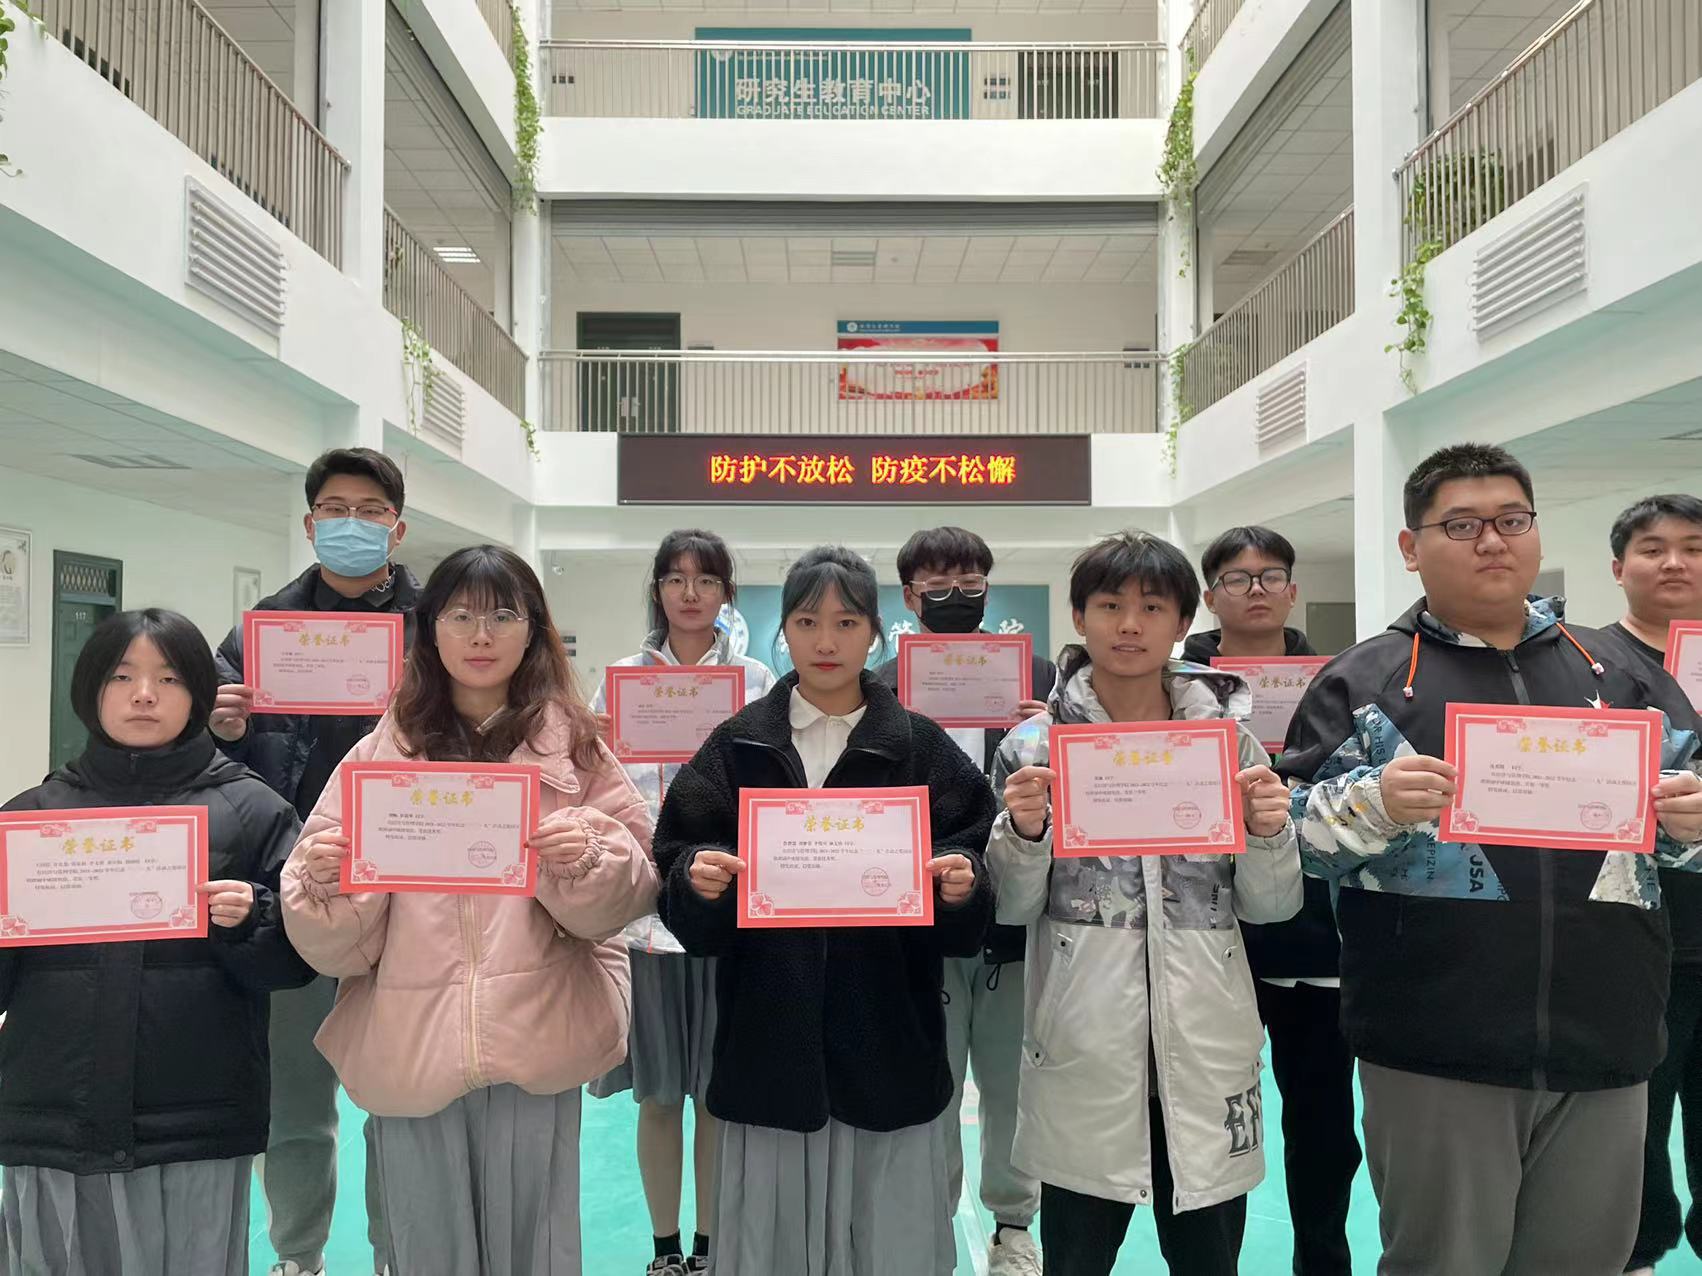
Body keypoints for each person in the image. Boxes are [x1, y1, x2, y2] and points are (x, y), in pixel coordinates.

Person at [1281, 445, 1702, 1276]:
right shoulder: (1366, 681)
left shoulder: (1619, 673)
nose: (1492, 541)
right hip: (1434, 1043)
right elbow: (1290, 841)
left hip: (1606, 1035)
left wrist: (1690, 821)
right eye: (1462, 525)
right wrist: (1374, 803)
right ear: (1411, 547)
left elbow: (1680, 823)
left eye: (1512, 520)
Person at [280, 545, 658, 1276]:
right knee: (424, 1245)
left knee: (533, 1246)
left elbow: (630, 892)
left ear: (532, 629)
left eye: (502, 616)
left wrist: (585, 857)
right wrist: (328, 884)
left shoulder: (577, 752)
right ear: (430, 630)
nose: (480, 636)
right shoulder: (379, 755)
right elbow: (333, 943)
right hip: (411, 1040)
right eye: (459, 616)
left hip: (539, 1034)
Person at [652, 545, 997, 1276]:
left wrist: (963, 885)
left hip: (889, 1039)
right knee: (773, 1245)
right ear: (784, 631)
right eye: (807, 622)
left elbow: (971, 850)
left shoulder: (920, 745)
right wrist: (696, 880)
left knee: (888, 1246)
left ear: (874, 630)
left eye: (846, 622)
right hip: (768, 1043)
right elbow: (679, 849)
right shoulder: (739, 742)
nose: (826, 641)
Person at [986, 530, 1302, 1276]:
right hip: (1086, 1036)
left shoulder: (1229, 744)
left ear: (1183, 621)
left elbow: (1270, 907)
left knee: (1208, 1258)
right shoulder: (1033, 747)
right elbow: (1013, 907)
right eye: (1109, 606)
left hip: (1204, 1032)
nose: (1129, 625)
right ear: (1079, 617)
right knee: (1077, 1256)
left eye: (1153, 607)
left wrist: (1268, 834)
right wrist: (1024, 833)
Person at [0, 609, 314, 1274]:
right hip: (55, 1115)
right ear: (91, 689)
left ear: (197, 692)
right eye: (122, 676)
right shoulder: (32, 819)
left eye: (168, 678)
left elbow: (301, 957)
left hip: (197, 1119)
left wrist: (252, 918)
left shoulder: (254, 810)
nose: (144, 694)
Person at [209, 446, 420, 1276]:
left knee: (404, 1096)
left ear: (396, 528)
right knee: (295, 1100)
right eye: (335, 510)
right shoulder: (261, 632)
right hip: (295, 891)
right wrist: (219, 729)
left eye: (370, 511)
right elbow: (210, 772)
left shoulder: (436, 625)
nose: (351, 524)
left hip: (408, 894)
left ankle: (401, 1253)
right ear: (309, 524)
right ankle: (299, 1256)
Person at [587, 529, 776, 1276]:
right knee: (660, 1096)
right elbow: (596, 790)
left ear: (727, 592)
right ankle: (665, 1250)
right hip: (647, 921)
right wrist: (594, 743)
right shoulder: (621, 684)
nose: (690, 593)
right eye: (675, 579)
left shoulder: (758, 681)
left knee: (718, 1095)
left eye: (706, 580)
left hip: (732, 917)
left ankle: (711, 1246)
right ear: (658, 590)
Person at [872, 525, 1051, 1276]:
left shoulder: (1038, 679)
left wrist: (1046, 729)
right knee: (930, 1082)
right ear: (910, 597)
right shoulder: (879, 686)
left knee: (1012, 1085)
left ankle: (1014, 1226)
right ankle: (929, 1224)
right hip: (920, 917)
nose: (957, 595)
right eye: (939, 584)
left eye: (971, 581)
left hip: (1014, 913)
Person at [1182, 526, 1360, 1276]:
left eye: (1270, 576)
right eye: (1236, 577)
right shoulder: (1169, 687)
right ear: (1210, 594)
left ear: (1292, 591)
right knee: (1203, 1119)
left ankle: (1322, 1259)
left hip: (1314, 937)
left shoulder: (1344, 683)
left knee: (1322, 1121)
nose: (1255, 589)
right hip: (1204, 936)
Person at [1590, 495, 1702, 1276]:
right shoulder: (1586, 665)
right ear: (1618, 566)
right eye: (1653, 548)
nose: (1674, 562)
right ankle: (1635, 1254)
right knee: (1631, 1126)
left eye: (1693, 547)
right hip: (1635, 941)